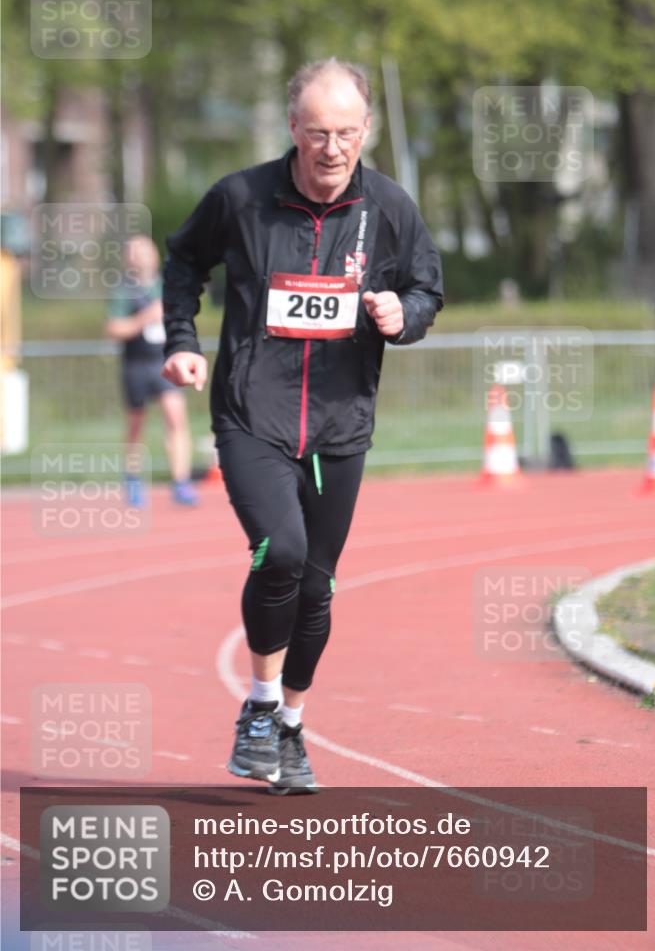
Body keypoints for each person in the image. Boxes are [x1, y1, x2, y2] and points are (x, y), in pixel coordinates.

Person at [161, 58, 443, 793]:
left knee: (316, 587)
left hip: (339, 421)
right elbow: (183, 262)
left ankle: (288, 724)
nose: (331, 147)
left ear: (366, 131)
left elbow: (425, 288)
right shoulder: (240, 199)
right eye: (317, 131)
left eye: (346, 132)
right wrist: (183, 343)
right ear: (292, 127)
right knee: (280, 552)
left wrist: (400, 315)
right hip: (252, 412)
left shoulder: (389, 208)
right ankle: (257, 709)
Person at [105, 235, 198, 507]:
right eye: (135, 252)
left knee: (175, 415)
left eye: (146, 251)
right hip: (135, 363)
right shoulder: (124, 291)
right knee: (136, 423)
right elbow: (113, 329)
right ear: (128, 258)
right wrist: (144, 317)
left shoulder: (166, 286)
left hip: (164, 361)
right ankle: (132, 478)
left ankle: (181, 481)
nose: (141, 257)